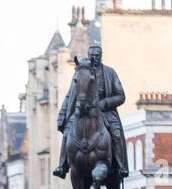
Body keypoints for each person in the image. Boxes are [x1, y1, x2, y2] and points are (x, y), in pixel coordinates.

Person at [52, 43, 128, 181]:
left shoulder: (110, 73)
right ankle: (62, 165)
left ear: (101, 56)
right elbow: (70, 96)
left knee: (116, 133)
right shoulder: (80, 72)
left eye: (97, 56)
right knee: (68, 131)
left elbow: (121, 96)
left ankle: (120, 166)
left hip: (104, 111)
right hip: (81, 111)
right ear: (88, 56)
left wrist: (105, 103)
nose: (94, 58)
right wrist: (62, 114)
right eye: (92, 55)